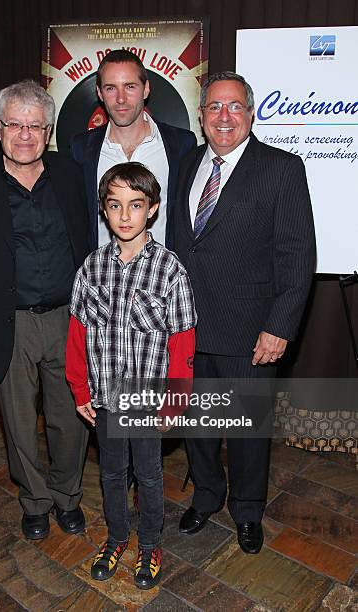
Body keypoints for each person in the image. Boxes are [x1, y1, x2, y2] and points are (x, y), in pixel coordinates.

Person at [174, 71, 316, 553]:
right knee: (199, 426)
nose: (224, 116)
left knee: (248, 431)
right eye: (214, 107)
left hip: (251, 332)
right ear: (201, 115)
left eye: (235, 106)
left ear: (251, 114)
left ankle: (248, 510)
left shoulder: (282, 168)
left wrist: (279, 327)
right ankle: (208, 496)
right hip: (190, 328)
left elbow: (298, 256)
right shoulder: (186, 163)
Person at [0, 80, 90, 541]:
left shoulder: (70, 173)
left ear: (47, 131)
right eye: (14, 124)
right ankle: (35, 501)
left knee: (71, 418)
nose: (25, 135)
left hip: (69, 318)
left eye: (35, 126)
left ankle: (67, 497)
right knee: (19, 421)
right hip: (9, 323)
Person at [65, 162, 197, 589]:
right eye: (115, 205)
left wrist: (175, 401)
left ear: (153, 209)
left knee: (150, 474)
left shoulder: (170, 271)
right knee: (110, 473)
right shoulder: (91, 269)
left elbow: (182, 344)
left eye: (135, 205)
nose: (125, 216)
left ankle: (150, 545)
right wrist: (79, 387)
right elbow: (77, 334)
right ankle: (117, 536)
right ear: (104, 210)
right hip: (105, 398)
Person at [71, 49, 196, 251]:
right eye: (111, 88)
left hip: (162, 275)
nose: (121, 98)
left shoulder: (181, 144)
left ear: (146, 89)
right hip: (101, 276)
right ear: (99, 93)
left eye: (130, 86)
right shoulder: (81, 148)